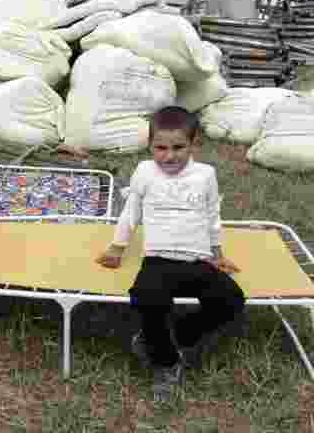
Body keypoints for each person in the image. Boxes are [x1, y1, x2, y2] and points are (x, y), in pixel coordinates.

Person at [96, 106, 245, 403]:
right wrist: (117, 246)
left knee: (231, 300)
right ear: (150, 145)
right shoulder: (144, 172)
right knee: (146, 297)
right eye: (160, 148)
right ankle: (166, 363)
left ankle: (175, 335)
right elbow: (131, 212)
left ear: (194, 143)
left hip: (197, 259)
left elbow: (212, 214)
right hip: (158, 260)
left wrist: (217, 253)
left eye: (178, 147)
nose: (169, 156)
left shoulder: (205, 175)